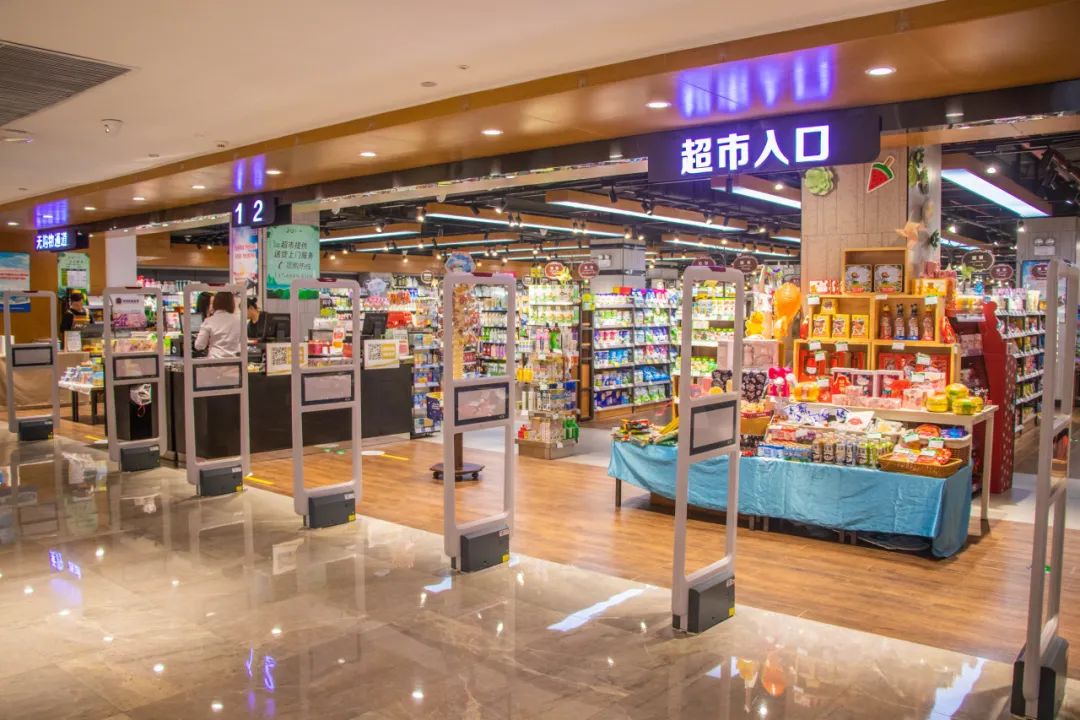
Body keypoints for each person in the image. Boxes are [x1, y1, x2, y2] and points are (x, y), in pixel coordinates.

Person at [194, 291, 242, 358]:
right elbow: (242, 343)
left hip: (214, 361)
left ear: (215, 303)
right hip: (234, 362)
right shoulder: (239, 321)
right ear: (232, 303)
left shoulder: (209, 321)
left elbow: (199, 346)